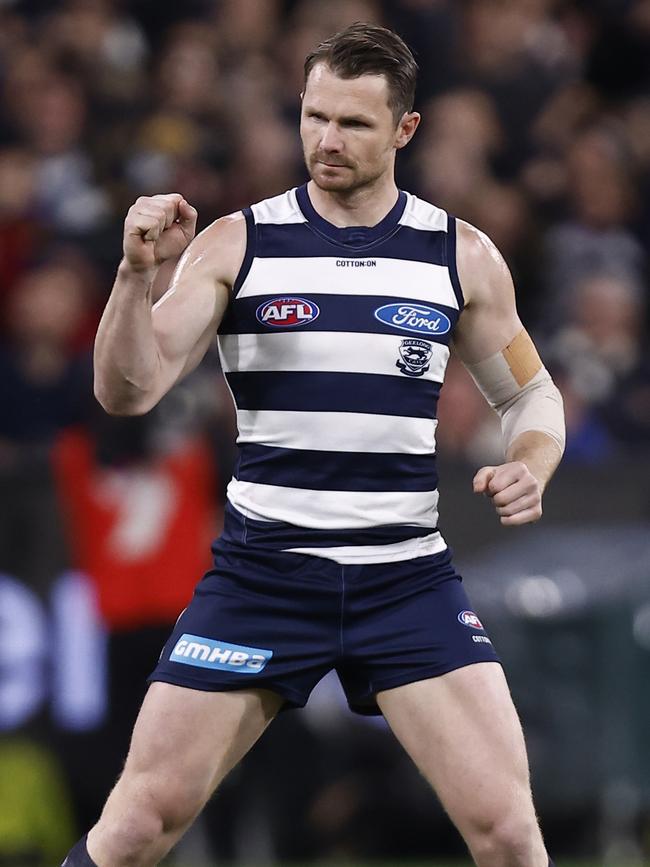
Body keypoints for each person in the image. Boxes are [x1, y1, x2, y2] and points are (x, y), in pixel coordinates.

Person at [62, 23, 564, 867]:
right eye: (314, 116)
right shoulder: (238, 243)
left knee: (511, 836)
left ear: (405, 129)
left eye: (354, 124)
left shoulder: (460, 256)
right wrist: (132, 275)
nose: (326, 141)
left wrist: (533, 461)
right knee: (138, 824)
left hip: (405, 581)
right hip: (264, 575)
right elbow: (127, 390)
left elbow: (530, 391)